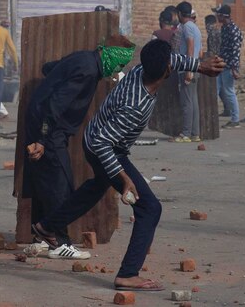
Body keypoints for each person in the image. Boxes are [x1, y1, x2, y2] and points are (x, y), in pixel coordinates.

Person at [30, 40, 224, 291]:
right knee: (150, 208)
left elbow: (172, 60)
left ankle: (46, 226)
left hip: (96, 136)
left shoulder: (140, 70)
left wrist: (200, 66)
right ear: (166, 71)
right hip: (103, 147)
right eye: (170, 64)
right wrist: (123, 178)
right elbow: (103, 144)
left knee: (97, 186)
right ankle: (127, 274)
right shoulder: (135, 105)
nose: (172, 64)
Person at [23, 34, 136, 259]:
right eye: (119, 64)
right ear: (111, 55)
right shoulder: (88, 71)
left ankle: (41, 238)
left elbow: (49, 68)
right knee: (60, 184)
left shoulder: (83, 58)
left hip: (41, 122)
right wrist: (43, 139)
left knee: (45, 181)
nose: (117, 70)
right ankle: (59, 243)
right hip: (49, 128)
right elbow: (56, 104)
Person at [173, 1, 202, 142]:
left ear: (179, 13)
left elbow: (190, 47)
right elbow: (199, 51)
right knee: (193, 101)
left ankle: (186, 134)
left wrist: (188, 70)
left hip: (189, 67)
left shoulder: (186, 27)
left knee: (187, 102)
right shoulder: (195, 27)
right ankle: (195, 133)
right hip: (196, 66)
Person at [213, 4, 243, 128]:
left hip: (229, 66)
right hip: (221, 64)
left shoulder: (233, 30)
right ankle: (210, 115)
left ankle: (235, 119)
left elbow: (235, 50)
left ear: (223, 16)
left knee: (229, 92)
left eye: (218, 15)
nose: (216, 17)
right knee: (214, 90)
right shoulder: (225, 28)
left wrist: (234, 69)